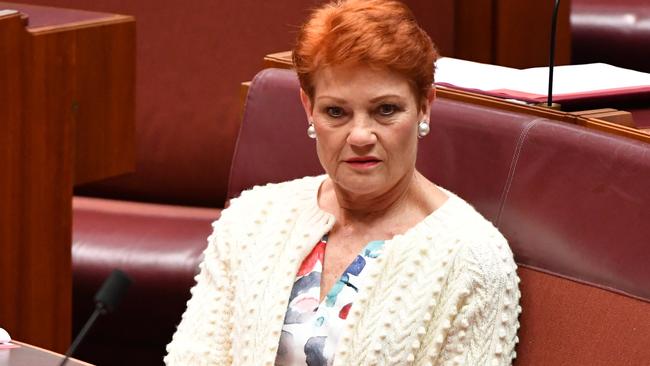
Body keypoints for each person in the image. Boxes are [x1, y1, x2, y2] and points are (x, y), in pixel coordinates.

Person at [164, 0, 520, 365]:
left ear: (424, 106)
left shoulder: (473, 257)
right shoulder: (252, 219)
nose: (361, 135)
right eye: (337, 112)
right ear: (308, 109)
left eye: (386, 110)